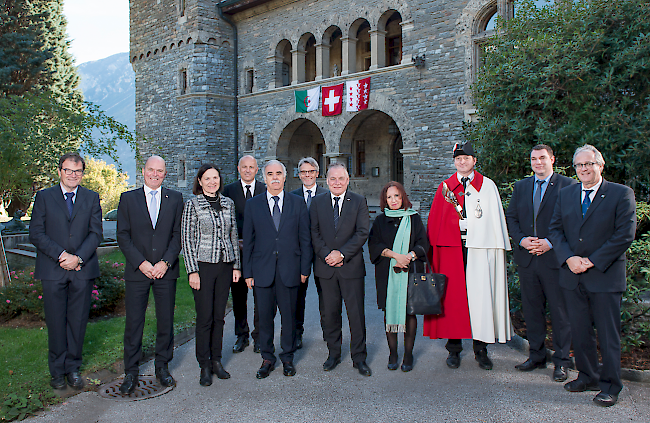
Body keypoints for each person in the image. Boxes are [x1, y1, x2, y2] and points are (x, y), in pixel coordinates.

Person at [549, 144, 636, 407]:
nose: (583, 169)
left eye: (589, 164)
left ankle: (611, 385)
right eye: (579, 165)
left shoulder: (621, 194)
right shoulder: (566, 194)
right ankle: (587, 376)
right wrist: (569, 258)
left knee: (608, 335)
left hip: (604, 276)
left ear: (601, 165)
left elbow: (624, 234)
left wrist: (591, 261)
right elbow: (555, 230)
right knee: (580, 331)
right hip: (572, 275)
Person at [423, 141, 511, 370]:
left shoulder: (488, 186)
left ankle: (481, 349)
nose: (462, 162)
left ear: (474, 161)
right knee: (453, 300)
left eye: (466, 158)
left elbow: (494, 221)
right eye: (458, 159)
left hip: (479, 250)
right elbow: (436, 223)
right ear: (455, 162)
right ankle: (453, 349)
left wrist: (476, 227)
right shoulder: (445, 187)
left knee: (480, 298)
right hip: (452, 250)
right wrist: (455, 226)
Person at [29, 153, 103, 390]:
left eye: (78, 171)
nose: (73, 175)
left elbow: (96, 233)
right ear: (59, 171)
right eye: (69, 170)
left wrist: (78, 257)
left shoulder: (91, 198)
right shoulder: (44, 197)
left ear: (83, 173)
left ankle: (72, 368)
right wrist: (63, 256)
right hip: (53, 269)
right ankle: (56, 371)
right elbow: (36, 233)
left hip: (82, 269)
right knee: (55, 321)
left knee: (78, 321)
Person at [505, 145, 576, 382]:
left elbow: (573, 222)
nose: (538, 162)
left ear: (552, 159)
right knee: (532, 311)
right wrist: (523, 240)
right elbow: (512, 217)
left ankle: (562, 362)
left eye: (542, 158)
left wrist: (550, 242)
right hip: (528, 259)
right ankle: (536, 356)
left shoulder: (568, 186)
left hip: (554, 259)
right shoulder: (522, 186)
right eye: (534, 159)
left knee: (559, 312)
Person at [116, 155, 184, 394]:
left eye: (160, 171)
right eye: (151, 170)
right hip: (138, 271)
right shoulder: (128, 199)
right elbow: (123, 236)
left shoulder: (175, 199)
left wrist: (165, 262)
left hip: (166, 271)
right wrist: (141, 263)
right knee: (134, 323)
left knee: (165, 321)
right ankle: (131, 372)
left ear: (165, 174)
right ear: (143, 171)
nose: (155, 174)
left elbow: (178, 235)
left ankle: (162, 366)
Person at [242, 160, 312, 379]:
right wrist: (248, 272)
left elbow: (305, 239)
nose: (274, 177)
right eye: (270, 173)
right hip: (262, 271)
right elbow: (248, 241)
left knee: (289, 318)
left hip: (290, 270)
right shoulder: (253, 205)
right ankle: (267, 358)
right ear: (264, 178)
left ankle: (288, 358)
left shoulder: (297, 203)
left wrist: (304, 269)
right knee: (264, 318)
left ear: (285, 177)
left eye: (278, 173)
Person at [181, 164, 241, 386]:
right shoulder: (192, 205)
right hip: (203, 266)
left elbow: (233, 235)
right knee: (205, 318)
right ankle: (204, 365)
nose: (212, 181)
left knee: (219, 316)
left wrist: (236, 266)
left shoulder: (228, 203)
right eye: (207, 178)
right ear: (200, 180)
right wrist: (192, 271)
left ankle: (217, 360)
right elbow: (187, 241)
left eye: (215, 177)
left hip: (225, 266)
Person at [310, 163, 371, 376]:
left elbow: (362, 232)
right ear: (327, 181)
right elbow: (314, 232)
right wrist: (327, 254)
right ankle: (333, 354)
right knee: (330, 315)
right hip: (325, 267)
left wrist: (341, 254)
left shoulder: (358, 201)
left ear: (348, 180)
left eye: (341, 179)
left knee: (356, 315)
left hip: (350, 267)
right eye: (333, 179)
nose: (337, 183)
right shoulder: (317, 203)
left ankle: (359, 358)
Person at [368, 181, 429, 372]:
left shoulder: (414, 219)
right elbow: (374, 245)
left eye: (397, 196)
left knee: (410, 313)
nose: (393, 200)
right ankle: (393, 353)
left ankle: (408, 354)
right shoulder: (379, 221)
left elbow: (423, 244)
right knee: (390, 312)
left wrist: (408, 257)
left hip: (410, 273)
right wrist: (395, 256)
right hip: (387, 274)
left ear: (403, 197)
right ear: (384, 200)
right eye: (389, 197)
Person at [222, 155, 266, 353]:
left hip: (259, 253)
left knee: (260, 296)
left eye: (251, 167)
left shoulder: (264, 190)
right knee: (239, 296)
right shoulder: (228, 190)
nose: (248, 170)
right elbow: (224, 220)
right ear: (238, 169)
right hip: (236, 252)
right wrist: (235, 241)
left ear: (257, 170)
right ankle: (242, 335)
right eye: (244, 167)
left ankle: (258, 336)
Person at [290, 157, 329, 348]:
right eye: (303, 172)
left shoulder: (327, 195)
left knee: (326, 294)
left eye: (311, 171)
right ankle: (297, 333)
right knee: (298, 295)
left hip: (322, 252)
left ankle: (328, 331)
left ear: (317, 173)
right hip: (298, 254)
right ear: (299, 175)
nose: (307, 175)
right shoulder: (292, 196)